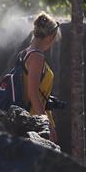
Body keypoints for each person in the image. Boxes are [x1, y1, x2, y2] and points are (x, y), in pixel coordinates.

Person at [23, 12, 61, 143]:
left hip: (30, 119)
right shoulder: (36, 57)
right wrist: (47, 126)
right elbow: (32, 94)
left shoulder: (25, 53)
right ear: (50, 36)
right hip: (36, 124)